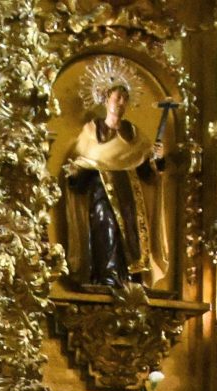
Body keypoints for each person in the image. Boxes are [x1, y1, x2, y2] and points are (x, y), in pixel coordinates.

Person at [58, 74, 173, 293]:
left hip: (130, 194)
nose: (121, 103)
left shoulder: (134, 134)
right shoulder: (92, 131)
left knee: (132, 236)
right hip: (101, 191)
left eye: (125, 99)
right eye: (117, 97)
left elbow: (147, 172)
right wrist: (75, 174)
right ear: (105, 99)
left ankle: (131, 278)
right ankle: (107, 277)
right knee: (106, 227)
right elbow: (82, 163)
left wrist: (157, 159)